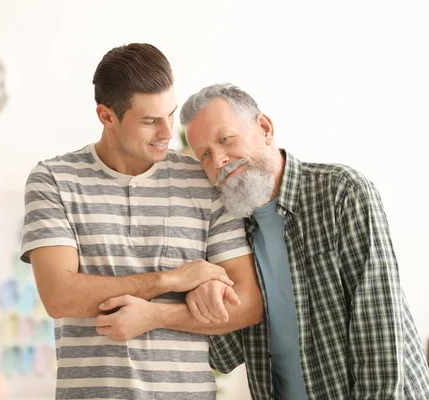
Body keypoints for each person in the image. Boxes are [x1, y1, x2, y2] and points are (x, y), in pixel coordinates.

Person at [20, 44, 263, 400]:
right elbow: (60, 296)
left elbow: (249, 303)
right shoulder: (54, 179)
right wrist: (173, 279)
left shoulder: (203, 179)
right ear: (106, 116)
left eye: (170, 115)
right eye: (149, 121)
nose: (167, 132)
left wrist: (156, 314)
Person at [178, 83, 429, 399]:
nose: (218, 160)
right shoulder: (232, 229)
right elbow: (224, 354)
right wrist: (201, 288)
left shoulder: (342, 192)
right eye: (204, 153)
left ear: (264, 128)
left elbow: (379, 333)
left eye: (225, 139)